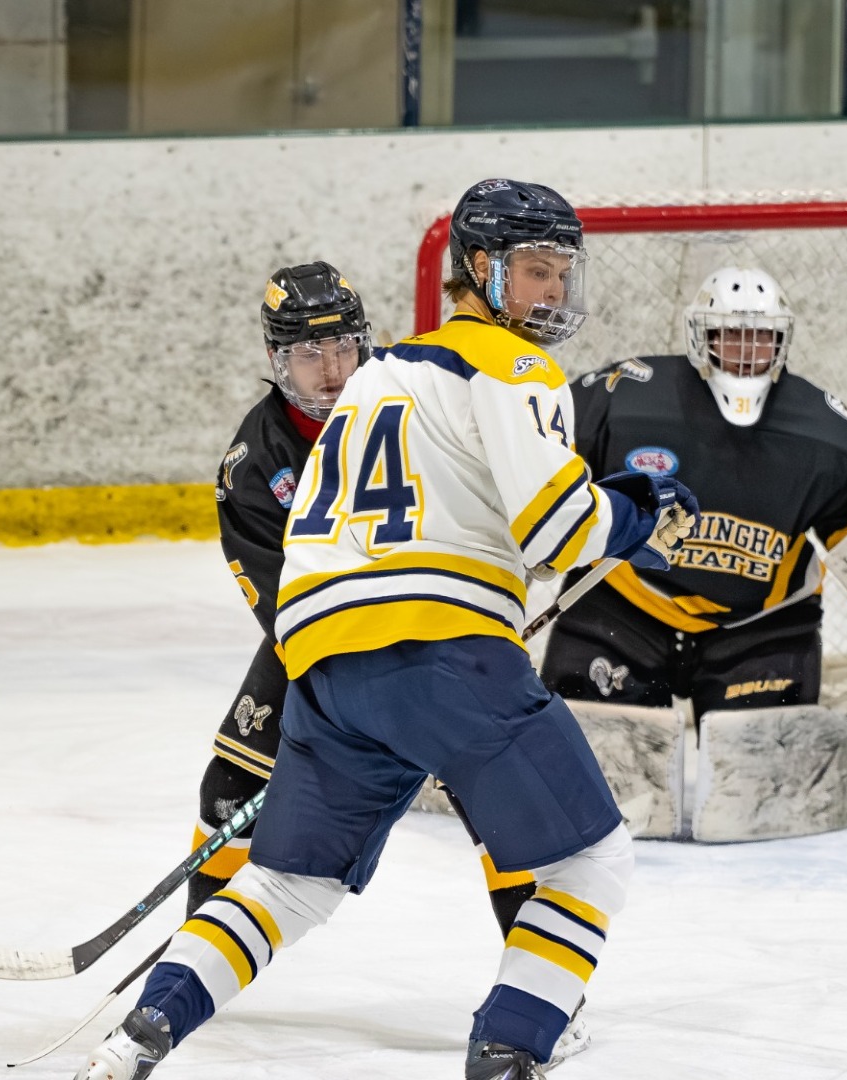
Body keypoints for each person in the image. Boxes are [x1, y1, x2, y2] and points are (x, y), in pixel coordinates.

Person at [73, 178, 697, 1080]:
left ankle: (143, 1031)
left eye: (562, 272)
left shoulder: (376, 383)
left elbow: (346, 548)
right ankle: (511, 1049)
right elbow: (560, 533)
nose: (553, 293)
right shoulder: (516, 367)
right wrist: (634, 517)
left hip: (327, 674)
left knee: (289, 882)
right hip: (443, 657)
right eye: (534, 271)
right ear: (482, 270)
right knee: (590, 858)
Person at [193, 259, 586, 1060]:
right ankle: (198, 955)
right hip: (326, 640)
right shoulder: (254, 463)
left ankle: (543, 989)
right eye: (311, 356)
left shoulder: (407, 390)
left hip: (437, 626)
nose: (332, 370)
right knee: (229, 781)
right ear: (277, 361)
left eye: (343, 348)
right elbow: (285, 608)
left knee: (497, 802)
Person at [540, 266, 847, 715]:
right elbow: (538, 456)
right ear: (701, 336)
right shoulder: (628, 399)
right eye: (731, 333)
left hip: (763, 627)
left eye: (762, 335)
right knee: (593, 757)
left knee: (763, 775)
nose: (747, 349)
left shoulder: (825, 435)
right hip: (623, 606)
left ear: (782, 340)